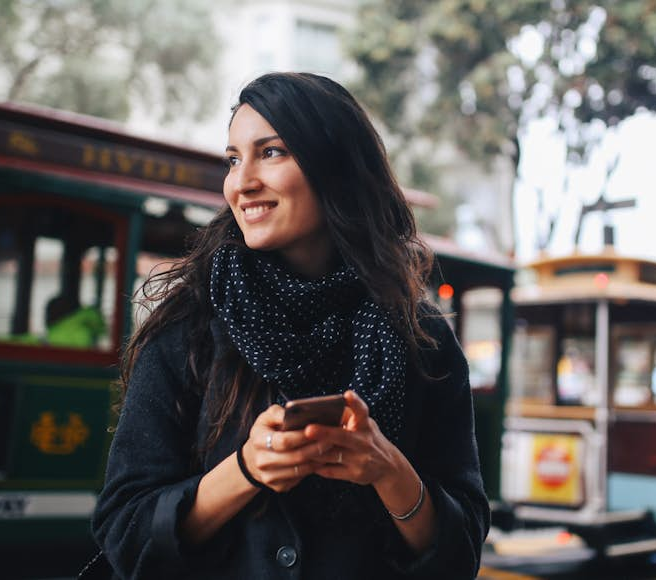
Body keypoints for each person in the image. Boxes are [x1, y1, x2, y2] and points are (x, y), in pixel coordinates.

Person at [91, 72, 489, 579]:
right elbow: (124, 531)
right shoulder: (191, 321)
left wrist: (388, 471)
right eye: (233, 159)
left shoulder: (419, 336)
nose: (242, 181)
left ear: (335, 166)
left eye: (271, 152)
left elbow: (462, 553)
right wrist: (245, 470)